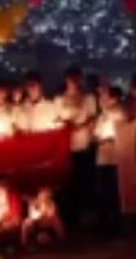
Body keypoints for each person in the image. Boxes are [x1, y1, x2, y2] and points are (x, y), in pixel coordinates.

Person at [54, 67, 97, 229]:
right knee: (67, 183)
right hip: (65, 146)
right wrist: (66, 124)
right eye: (70, 79)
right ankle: (67, 218)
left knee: (83, 182)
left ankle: (84, 217)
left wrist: (79, 126)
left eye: (76, 78)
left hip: (83, 144)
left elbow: (92, 118)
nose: (73, 82)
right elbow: (57, 119)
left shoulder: (88, 98)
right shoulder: (59, 99)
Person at [94, 86, 128, 232]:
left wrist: (111, 139)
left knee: (115, 191)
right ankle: (104, 222)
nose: (104, 99)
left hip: (115, 157)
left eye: (107, 97)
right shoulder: (102, 115)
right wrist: (100, 139)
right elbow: (95, 134)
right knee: (102, 191)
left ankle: (116, 222)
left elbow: (124, 132)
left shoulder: (121, 113)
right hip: (102, 157)